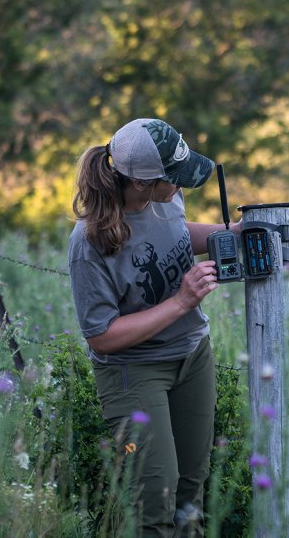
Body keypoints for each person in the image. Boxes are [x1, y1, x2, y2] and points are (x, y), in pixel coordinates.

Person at [68, 118, 240, 537]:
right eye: (173, 178)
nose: (181, 186)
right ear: (142, 183)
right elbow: (101, 336)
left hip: (192, 357)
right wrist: (181, 301)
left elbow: (175, 232)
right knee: (154, 502)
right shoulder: (89, 241)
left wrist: (229, 233)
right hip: (135, 373)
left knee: (191, 493)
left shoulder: (167, 197)